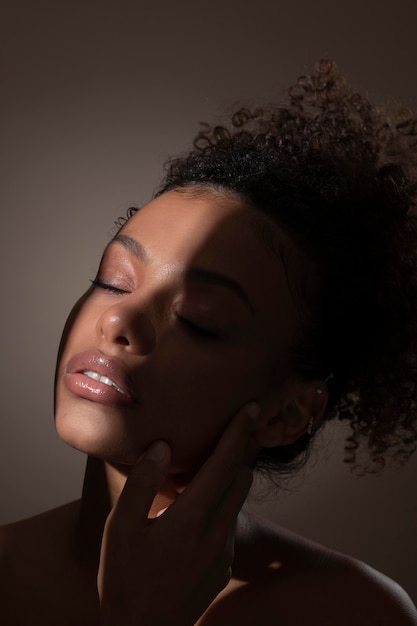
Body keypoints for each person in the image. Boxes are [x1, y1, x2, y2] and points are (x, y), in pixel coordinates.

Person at [1, 59, 417, 625]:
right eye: (112, 280)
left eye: (199, 319)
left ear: (291, 412)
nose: (119, 321)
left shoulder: (353, 612)